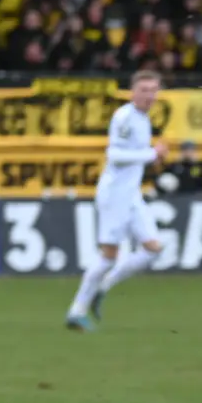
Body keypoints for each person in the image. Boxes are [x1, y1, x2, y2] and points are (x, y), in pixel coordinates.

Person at [66, 71, 169, 331]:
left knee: (153, 248)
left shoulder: (143, 119)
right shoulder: (124, 117)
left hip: (131, 194)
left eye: (153, 90)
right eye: (144, 90)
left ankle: (103, 287)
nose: (149, 95)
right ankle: (77, 310)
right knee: (108, 256)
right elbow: (115, 153)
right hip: (114, 195)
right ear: (133, 91)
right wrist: (150, 154)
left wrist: (152, 157)